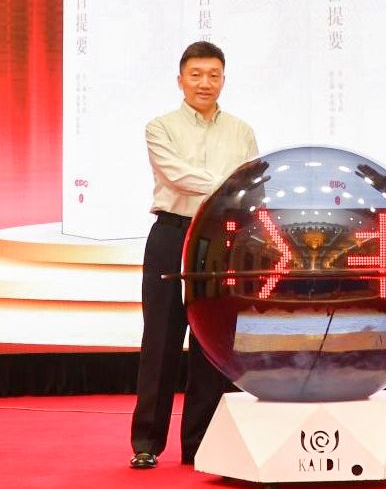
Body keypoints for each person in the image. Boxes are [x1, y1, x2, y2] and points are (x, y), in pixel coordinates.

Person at [129, 41, 258, 470]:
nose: (205, 83)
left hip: (220, 238)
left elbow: (251, 185)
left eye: (214, 75)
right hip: (172, 233)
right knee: (161, 338)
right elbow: (177, 175)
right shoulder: (160, 127)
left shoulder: (241, 131)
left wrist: (234, 189)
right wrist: (227, 184)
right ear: (181, 80)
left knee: (212, 341)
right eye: (196, 74)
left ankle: (201, 443)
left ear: (223, 79)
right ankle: (147, 441)